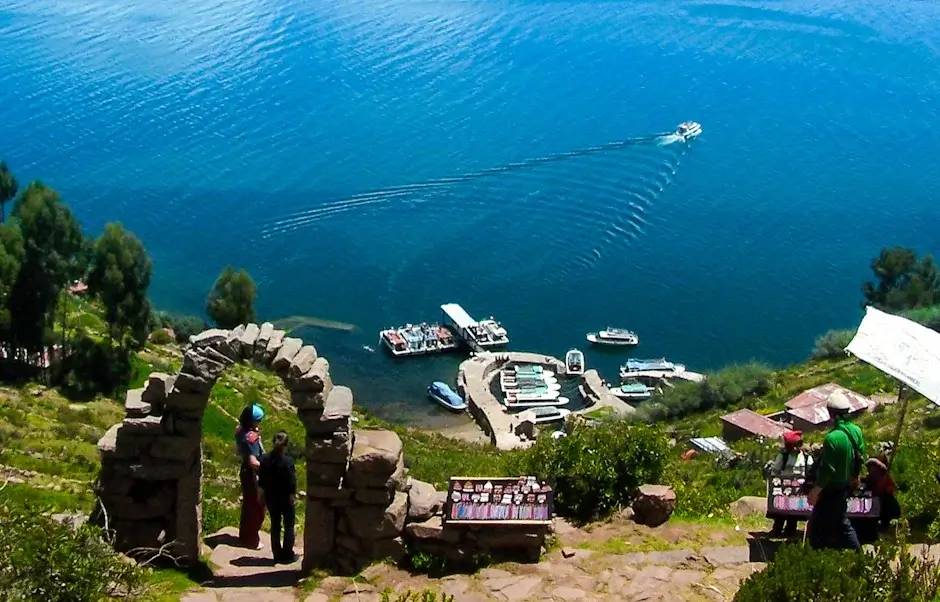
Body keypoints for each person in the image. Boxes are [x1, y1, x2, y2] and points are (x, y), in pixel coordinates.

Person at [807, 391, 866, 551]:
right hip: (847, 484)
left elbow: (827, 469)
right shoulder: (856, 431)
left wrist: (815, 491)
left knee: (821, 525)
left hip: (832, 488)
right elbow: (860, 454)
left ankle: (817, 558)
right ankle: (849, 554)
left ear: (830, 413)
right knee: (837, 521)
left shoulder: (832, 438)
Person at [259, 431, 298, 563]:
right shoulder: (288, 462)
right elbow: (292, 482)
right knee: (289, 525)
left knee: (275, 524)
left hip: (271, 496)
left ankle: (277, 554)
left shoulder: (264, 459)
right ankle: (287, 554)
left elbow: (262, 480)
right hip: (286, 497)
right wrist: (292, 495)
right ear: (286, 445)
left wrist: (262, 495)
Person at [767, 430, 812, 537]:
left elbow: (810, 472)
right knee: (781, 510)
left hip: (799, 489)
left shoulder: (806, 458)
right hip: (784, 488)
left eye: (798, 445)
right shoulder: (783, 456)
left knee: (794, 510)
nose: (796, 448)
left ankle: (791, 530)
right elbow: (775, 471)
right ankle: (777, 530)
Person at [235, 403, 265, 550]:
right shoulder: (251, 437)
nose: (259, 423)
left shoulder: (240, 429)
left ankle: (245, 535)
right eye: (258, 420)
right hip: (253, 474)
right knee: (256, 507)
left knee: (248, 505)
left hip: (245, 472)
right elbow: (253, 461)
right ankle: (251, 539)